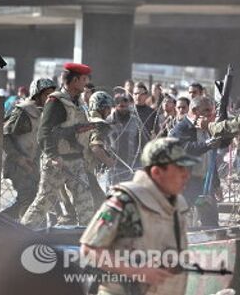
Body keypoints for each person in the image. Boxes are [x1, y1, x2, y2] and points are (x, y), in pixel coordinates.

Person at [80, 137, 198, 295]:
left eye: (187, 168)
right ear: (156, 172)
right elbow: (90, 249)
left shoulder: (178, 206)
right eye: (179, 168)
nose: (186, 175)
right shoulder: (125, 201)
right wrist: (138, 272)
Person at [20, 63, 95, 228]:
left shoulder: (77, 102)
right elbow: (44, 132)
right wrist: (53, 156)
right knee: (45, 201)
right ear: (75, 80)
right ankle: (22, 233)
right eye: (84, 79)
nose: (86, 83)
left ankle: (86, 242)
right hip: (57, 162)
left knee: (85, 202)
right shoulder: (56, 101)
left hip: (75, 160)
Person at [1, 78, 56, 219]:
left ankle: (0, 222)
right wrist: (19, 159)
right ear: (37, 95)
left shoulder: (44, 113)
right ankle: (26, 233)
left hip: (33, 165)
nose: (49, 98)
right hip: (18, 164)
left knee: (30, 200)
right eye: (46, 95)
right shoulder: (24, 112)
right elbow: (4, 136)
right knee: (27, 199)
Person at [168, 96, 221, 226]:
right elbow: (187, 149)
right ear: (195, 110)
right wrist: (208, 143)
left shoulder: (205, 128)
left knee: (211, 223)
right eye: (207, 110)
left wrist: (216, 184)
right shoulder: (181, 129)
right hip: (187, 184)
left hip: (205, 184)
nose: (210, 114)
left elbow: (210, 159)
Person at [85, 91, 116, 206]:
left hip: (75, 168)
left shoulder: (85, 118)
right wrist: (109, 162)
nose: (109, 112)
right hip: (85, 171)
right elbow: (95, 148)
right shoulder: (100, 124)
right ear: (101, 107)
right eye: (107, 108)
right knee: (101, 205)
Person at [106, 94, 140, 185]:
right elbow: (103, 143)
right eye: (120, 104)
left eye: (126, 103)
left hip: (131, 166)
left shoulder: (136, 121)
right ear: (115, 105)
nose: (123, 106)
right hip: (113, 167)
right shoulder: (108, 121)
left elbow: (141, 143)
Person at [133, 83, 158, 148]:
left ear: (146, 95)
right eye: (135, 94)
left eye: (141, 94)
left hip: (145, 147)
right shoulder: (128, 111)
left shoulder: (152, 113)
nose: (138, 96)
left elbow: (156, 132)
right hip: (130, 147)